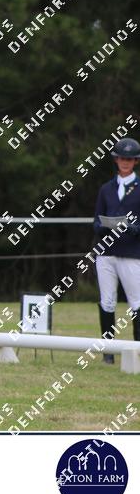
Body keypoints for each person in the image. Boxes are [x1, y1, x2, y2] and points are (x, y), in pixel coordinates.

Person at [93, 137, 140, 363]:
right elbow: (96, 221)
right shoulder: (106, 189)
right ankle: (108, 353)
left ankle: (137, 350)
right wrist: (105, 226)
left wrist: (133, 228)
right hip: (106, 252)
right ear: (116, 160)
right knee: (107, 301)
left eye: (129, 159)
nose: (125, 162)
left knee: (136, 302)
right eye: (122, 158)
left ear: (135, 161)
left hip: (131, 253)